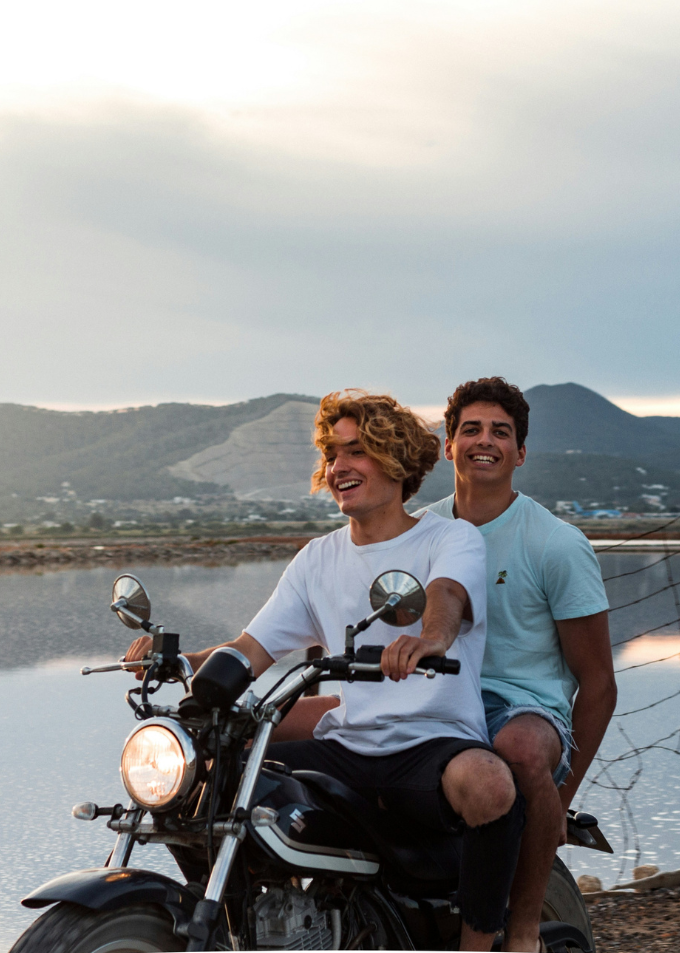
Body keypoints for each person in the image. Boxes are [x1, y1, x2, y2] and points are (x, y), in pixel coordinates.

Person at [125, 390, 525, 951]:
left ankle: (477, 945)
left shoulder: (448, 537)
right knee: (202, 778)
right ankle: (260, 922)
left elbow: (448, 597)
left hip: (429, 744)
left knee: (487, 782)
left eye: (357, 452)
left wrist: (427, 639)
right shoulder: (317, 558)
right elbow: (253, 646)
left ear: (396, 461)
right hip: (349, 745)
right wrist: (181, 661)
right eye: (333, 456)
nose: (339, 468)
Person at [423, 377, 617, 953]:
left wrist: (558, 797)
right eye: (471, 430)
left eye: (500, 432)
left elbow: (600, 684)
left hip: (526, 710)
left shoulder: (555, 544)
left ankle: (525, 933)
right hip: (440, 701)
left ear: (520, 453)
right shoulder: (422, 533)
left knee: (521, 749)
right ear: (447, 445)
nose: (485, 441)